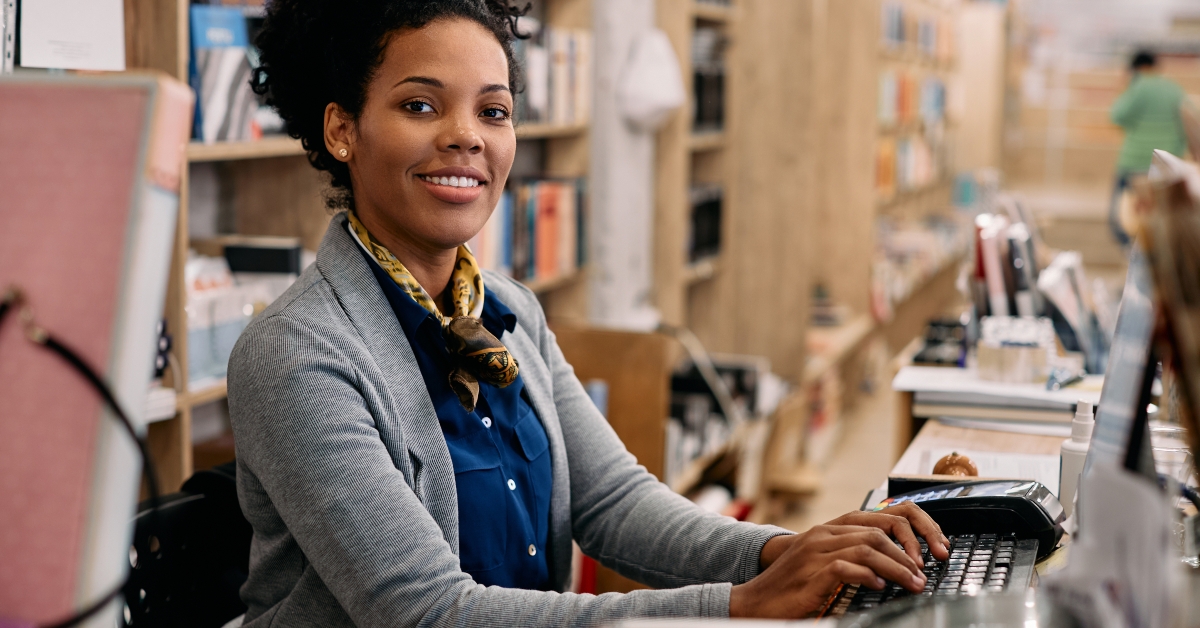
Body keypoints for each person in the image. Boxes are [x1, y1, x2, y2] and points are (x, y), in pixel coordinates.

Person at [228, 1, 949, 625]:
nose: (467, 136)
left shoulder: (508, 311)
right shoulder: (296, 354)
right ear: (342, 130)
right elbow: (428, 613)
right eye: (421, 105)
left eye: (494, 110)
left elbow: (615, 505)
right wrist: (743, 604)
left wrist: (787, 553)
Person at [1109, 50, 1187, 246]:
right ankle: (1153, 262)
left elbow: (1117, 115)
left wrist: (1124, 86)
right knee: (1158, 222)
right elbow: (1190, 121)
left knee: (1124, 220)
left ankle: (1135, 259)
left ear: (1137, 68)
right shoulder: (1174, 89)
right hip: (1164, 165)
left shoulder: (1138, 86)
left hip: (1134, 162)